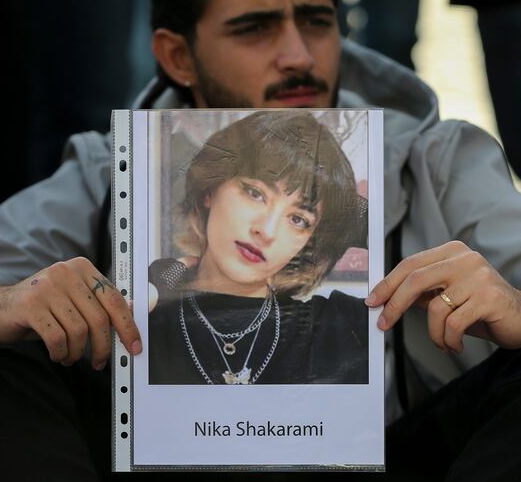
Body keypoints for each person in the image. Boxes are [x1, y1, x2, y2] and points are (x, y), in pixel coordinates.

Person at [0, 0, 521, 479]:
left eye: (316, 20)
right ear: (177, 56)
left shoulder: (428, 155)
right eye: (254, 29)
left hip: (383, 460)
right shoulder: (110, 166)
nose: (299, 56)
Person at [148, 110, 369, 385]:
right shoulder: (151, 308)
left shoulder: (336, 328)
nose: (266, 231)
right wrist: (160, 280)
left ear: (309, 241)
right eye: (255, 193)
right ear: (210, 189)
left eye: (298, 219)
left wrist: (336, 195)